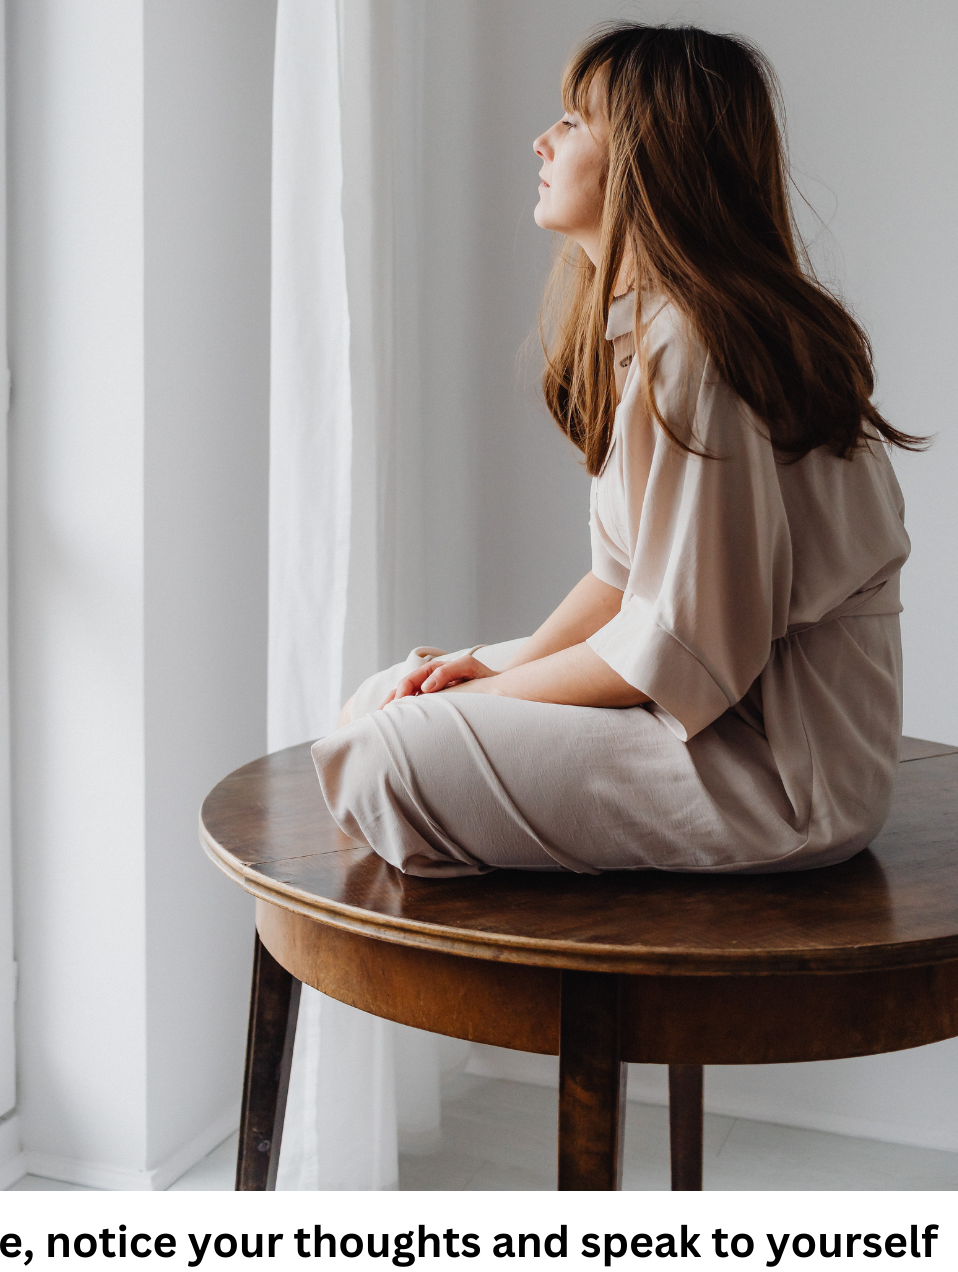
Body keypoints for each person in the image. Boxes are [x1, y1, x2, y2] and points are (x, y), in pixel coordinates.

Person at [311, 22, 925, 879]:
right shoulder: (662, 332)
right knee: (384, 699)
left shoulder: (699, 350)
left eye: (573, 119)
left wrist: (486, 694)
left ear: (647, 155)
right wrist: (498, 665)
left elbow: (674, 651)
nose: (543, 139)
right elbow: (621, 583)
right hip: (714, 724)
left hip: (780, 780)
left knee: (387, 751)